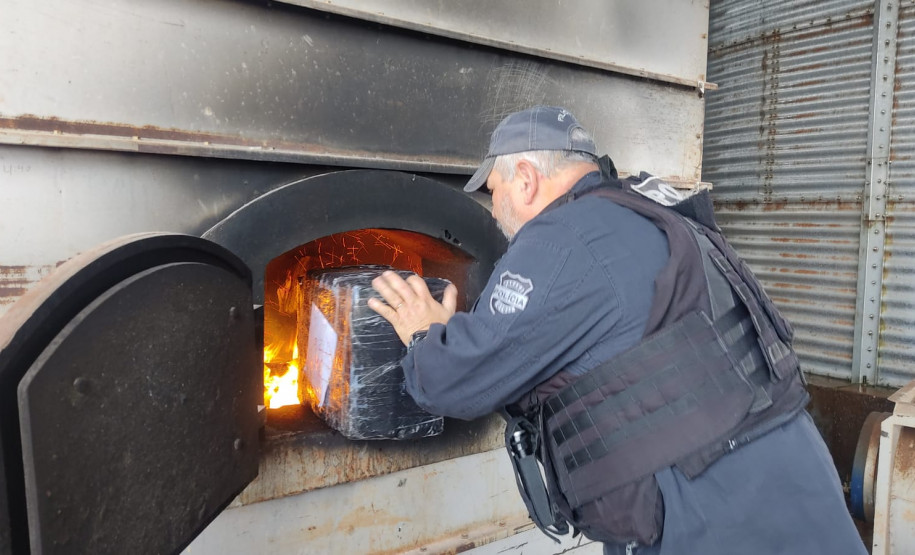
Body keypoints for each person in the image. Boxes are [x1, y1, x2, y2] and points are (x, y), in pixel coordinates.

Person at [367, 106, 866, 554]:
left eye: (493, 192)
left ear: (525, 179)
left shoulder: (560, 241)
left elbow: (453, 383)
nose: (494, 212)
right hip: (795, 478)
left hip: (712, 510)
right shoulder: (649, 214)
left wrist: (424, 333)